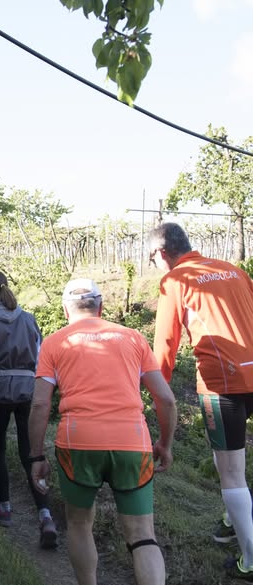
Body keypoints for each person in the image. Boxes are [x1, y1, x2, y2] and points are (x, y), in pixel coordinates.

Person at [29, 278, 177, 585]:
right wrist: (165, 443)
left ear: (65, 310)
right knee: (142, 534)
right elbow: (165, 399)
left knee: (79, 524)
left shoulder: (55, 342)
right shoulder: (134, 338)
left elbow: (40, 404)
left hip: (77, 442)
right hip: (132, 441)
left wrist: (36, 455)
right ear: (102, 307)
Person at [149, 222, 253, 580]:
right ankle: (230, 519)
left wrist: (157, 394)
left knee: (231, 473)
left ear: (163, 253)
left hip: (222, 382)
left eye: (152, 259)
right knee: (228, 457)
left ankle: (250, 561)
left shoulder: (176, 281)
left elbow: (165, 344)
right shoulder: (233, 270)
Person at [0, 271, 57, 545]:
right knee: (31, 452)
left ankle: (4, 508)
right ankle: (46, 515)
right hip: (27, 391)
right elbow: (41, 358)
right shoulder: (29, 319)